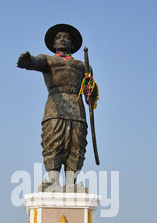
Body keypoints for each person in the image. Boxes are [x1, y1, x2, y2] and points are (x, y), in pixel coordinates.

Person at [17, 24, 98, 189]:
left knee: (77, 143)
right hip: (55, 105)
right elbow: (36, 62)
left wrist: (90, 91)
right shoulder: (48, 59)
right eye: (59, 38)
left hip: (77, 107)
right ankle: (53, 180)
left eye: (66, 38)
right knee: (53, 141)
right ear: (53, 44)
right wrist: (28, 61)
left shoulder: (84, 66)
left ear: (73, 45)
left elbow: (90, 95)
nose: (62, 40)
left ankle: (71, 183)